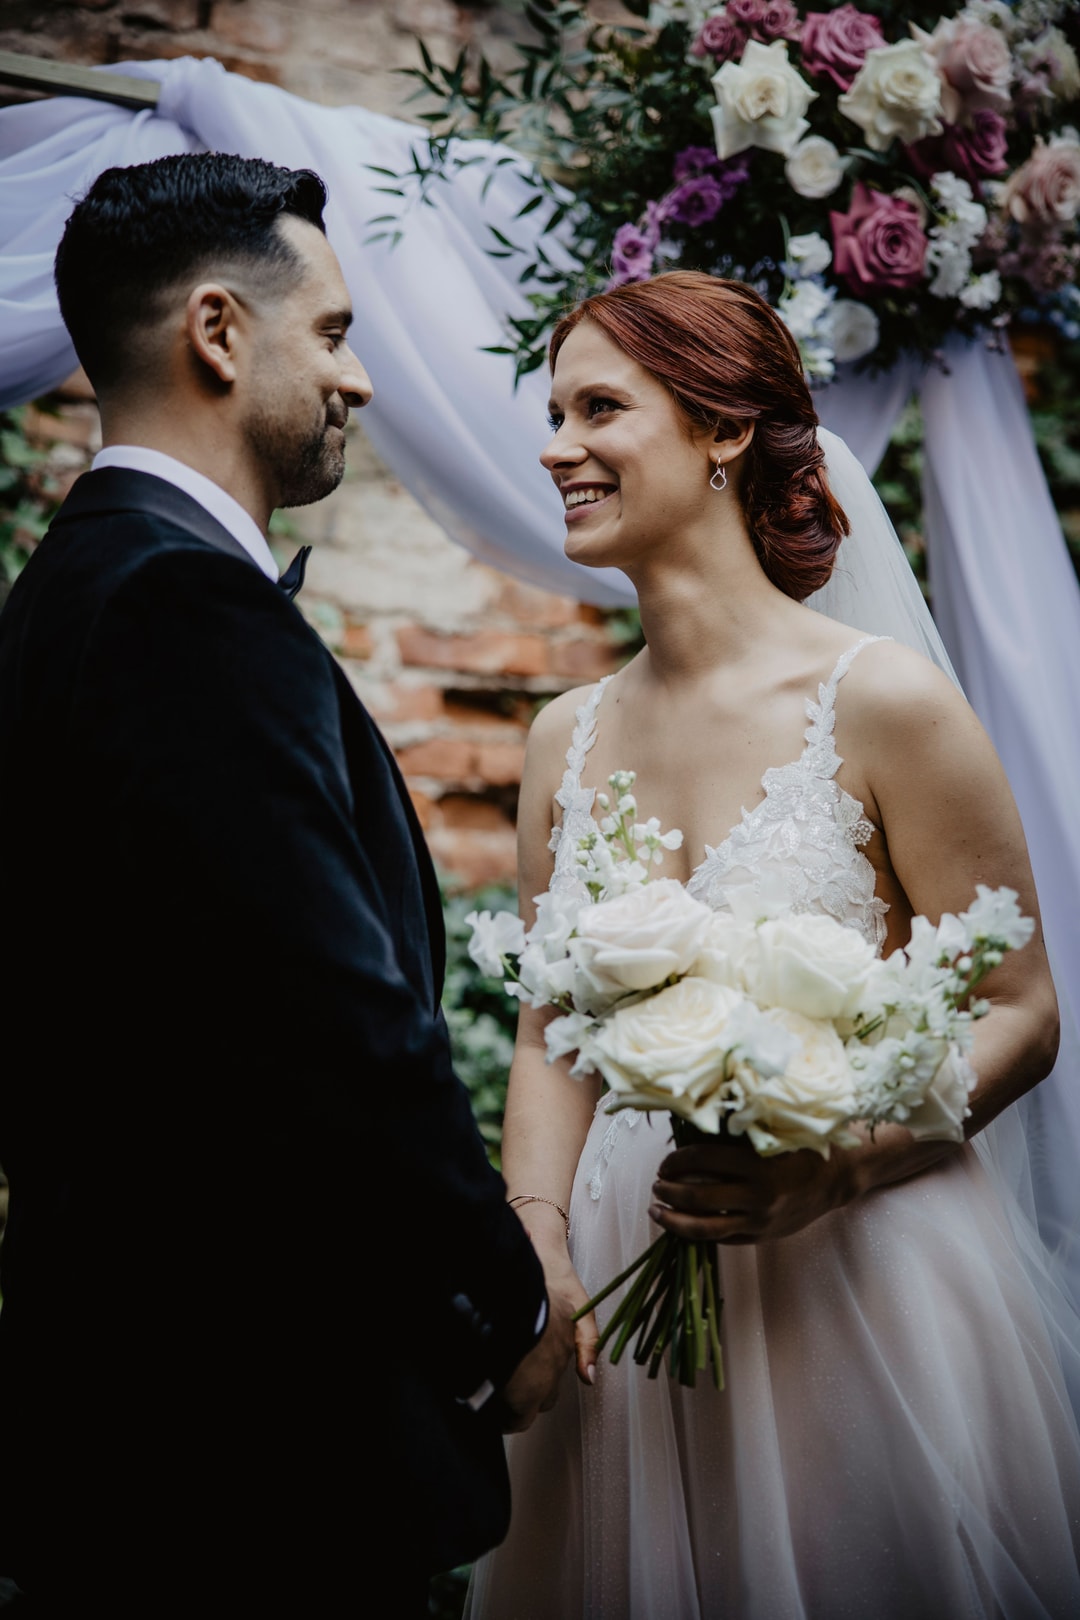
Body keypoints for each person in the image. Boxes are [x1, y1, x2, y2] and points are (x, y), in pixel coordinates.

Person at [0, 152, 573, 1616]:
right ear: (214, 333)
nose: (362, 380)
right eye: (330, 331)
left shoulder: (62, 594)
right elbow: (334, 1017)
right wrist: (497, 1295)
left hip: (117, 1404)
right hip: (253, 1442)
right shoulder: (181, 602)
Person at [466, 271, 1080, 1619]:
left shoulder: (884, 703)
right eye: (553, 411)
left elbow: (1025, 1012)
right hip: (630, 1276)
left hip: (856, 1269)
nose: (556, 445)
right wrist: (539, 1240)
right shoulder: (560, 741)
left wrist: (839, 1163)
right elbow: (547, 1030)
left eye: (598, 408)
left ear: (723, 432)